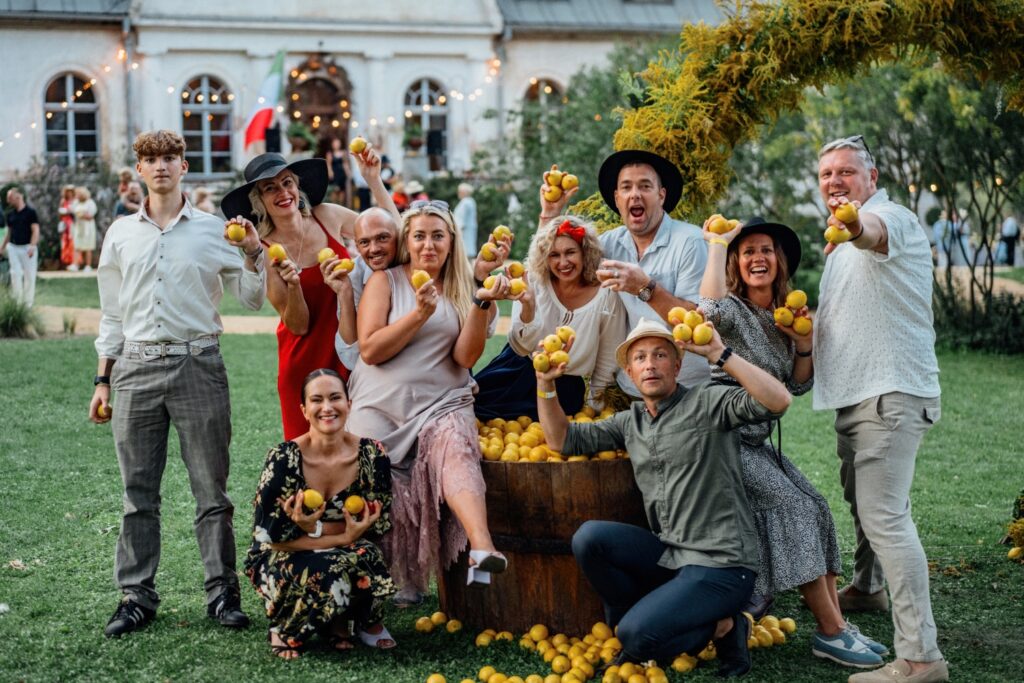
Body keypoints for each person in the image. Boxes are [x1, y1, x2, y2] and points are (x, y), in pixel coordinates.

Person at [538, 318, 792, 677]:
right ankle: (640, 621)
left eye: (660, 355)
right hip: (672, 556)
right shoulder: (631, 422)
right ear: (629, 373)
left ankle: (724, 626)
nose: (650, 365)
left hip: (722, 564)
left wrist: (720, 353)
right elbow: (561, 440)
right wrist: (545, 384)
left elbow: (778, 401)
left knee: (635, 636)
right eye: (640, 358)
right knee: (589, 539)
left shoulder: (708, 402)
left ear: (676, 365)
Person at [90, 129, 266, 638]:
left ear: (184, 166)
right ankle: (136, 596)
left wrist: (253, 254)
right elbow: (112, 315)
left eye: (170, 157)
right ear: (139, 169)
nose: (161, 166)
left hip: (198, 365)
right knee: (137, 493)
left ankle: (222, 593)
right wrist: (102, 380)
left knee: (211, 490)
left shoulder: (214, 230)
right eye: (151, 159)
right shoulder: (121, 234)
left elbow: (252, 299)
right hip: (135, 369)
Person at [698, 216, 885, 668]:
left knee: (815, 505)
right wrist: (718, 243)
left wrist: (803, 341)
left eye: (766, 250)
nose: (757, 258)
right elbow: (706, 309)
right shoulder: (732, 310)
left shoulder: (786, 315)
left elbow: (798, 385)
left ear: (779, 261)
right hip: (723, 439)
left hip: (755, 442)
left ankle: (837, 623)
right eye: (748, 252)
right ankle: (830, 631)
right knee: (792, 508)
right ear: (737, 264)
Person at [815, 135, 946, 683]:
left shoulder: (891, 217)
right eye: (826, 174)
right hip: (858, 396)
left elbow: (872, 232)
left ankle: (920, 658)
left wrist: (853, 227)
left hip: (890, 394)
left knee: (884, 516)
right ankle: (868, 588)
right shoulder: (839, 241)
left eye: (846, 171)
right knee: (863, 502)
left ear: (872, 178)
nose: (835, 181)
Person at [346, 199, 507, 606]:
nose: (428, 245)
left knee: (457, 448)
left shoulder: (464, 287)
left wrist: (481, 302)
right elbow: (370, 350)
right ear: (407, 241)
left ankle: (482, 547)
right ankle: (394, 579)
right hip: (381, 403)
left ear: (451, 241)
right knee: (371, 472)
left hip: (442, 400)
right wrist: (418, 314)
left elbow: (465, 358)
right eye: (419, 236)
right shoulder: (386, 281)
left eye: (437, 236)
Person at [220, 144, 394, 440]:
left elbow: (391, 234)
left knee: (360, 444)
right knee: (308, 452)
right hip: (303, 361)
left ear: (297, 186)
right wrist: (294, 285)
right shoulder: (265, 250)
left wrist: (374, 180)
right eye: (270, 188)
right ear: (259, 201)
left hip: (352, 348)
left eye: (287, 182)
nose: (282, 192)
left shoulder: (328, 216)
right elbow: (298, 326)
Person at [246, 369, 397, 659]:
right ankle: (285, 628)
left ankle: (352, 622)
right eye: (317, 400)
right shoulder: (283, 459)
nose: (327, 407)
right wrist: (341, 535)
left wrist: (312, 529)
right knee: (328, 568)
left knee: (369, 556)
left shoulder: (372, 455)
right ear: (304, 410)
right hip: (281, 553)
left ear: (349, 404)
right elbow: (272, 539)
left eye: (335, 398)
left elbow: (376, 524)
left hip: (339, 546)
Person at [473, 213, 628, 420]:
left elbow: (608, 358)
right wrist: (528, 305)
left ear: (586, 252)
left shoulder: (607, 292)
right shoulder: (533, 280)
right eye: (554, 255)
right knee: (468, 409)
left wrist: (594, 407)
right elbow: (520, 348)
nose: (563, 262)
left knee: (546, 436)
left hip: (564, 389)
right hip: (514, 372)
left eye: (570, 252)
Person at [584, 149, 709, 402]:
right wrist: (549, 213)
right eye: (626, 187)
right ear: (617, 199)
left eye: (645, 186)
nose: (635, 194)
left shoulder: (691, 241)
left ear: (661, 195)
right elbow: (562, 270)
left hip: (689, 390)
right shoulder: (608, 244)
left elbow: (698, 320)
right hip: (633, 390)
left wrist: (645, 287)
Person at [1, 187, 40, 307]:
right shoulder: (10, 215)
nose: (8, 200)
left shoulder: (31, 212)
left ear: (18, 197)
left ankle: (28, 304)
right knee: (15, 274)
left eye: (10, 197)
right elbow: (9, 233)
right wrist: (2, 247)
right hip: (13, 247)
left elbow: (35, 230)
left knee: (29, 276)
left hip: (27, 247)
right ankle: (17, 303)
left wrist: (32, 246)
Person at [72, 185, 98, 271]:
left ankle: (88, 266)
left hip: (88, 227)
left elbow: (91, 216)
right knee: (77, 245)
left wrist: (82, 215)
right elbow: (73, 212)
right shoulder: (76, 202)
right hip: (79, 226)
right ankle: (75, 264)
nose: (77, 195)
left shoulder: (90, 203)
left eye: (79, 194)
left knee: (88, 246)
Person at [453, 182, 478, 255]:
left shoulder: (465, 202)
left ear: (464, 192)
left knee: (464, 250)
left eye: (460, 191)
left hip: (464, 230)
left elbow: (461, 218)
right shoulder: (471, 201)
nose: (458, 193)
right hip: (469, 229)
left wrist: (459, 231)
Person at [325, 137, 350, 207]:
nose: (336, 145)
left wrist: (348, 172)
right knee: (334, 190)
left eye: (338, 143)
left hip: (342, 174)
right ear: (332, 144)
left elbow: (345, 163)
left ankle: (341, 206)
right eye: (335, 143)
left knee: (342, 191)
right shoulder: (330, 154)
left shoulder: (343, 153)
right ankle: (334, 206)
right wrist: (330, 173)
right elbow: (328, 164)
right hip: (334, 174)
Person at [57, 184, 76, 268]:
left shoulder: (75, 201)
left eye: (71, 192)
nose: (69, 193)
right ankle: (66, 261)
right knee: (65, 242)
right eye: (68, 192)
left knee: (72, 242)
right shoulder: (63, 201)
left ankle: (73, 261)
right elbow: (60, 214)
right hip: (65, 224)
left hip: (72, 224)